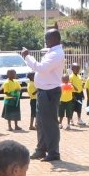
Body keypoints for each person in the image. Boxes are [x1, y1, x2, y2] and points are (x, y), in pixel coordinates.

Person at [22, 29, 65, 162]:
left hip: (50, 92)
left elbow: (41, 68)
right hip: (44, 91)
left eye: (47, 39)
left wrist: (27, 56)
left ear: (54, 39)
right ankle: (41, 149)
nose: (45, 41)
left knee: (50, 124)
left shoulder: (57, 54)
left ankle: (53, 152)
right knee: (40, 122)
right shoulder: (52, 52)